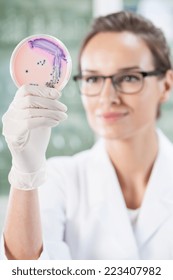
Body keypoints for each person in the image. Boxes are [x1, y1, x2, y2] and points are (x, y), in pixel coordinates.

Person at [1, 10, 173, 260]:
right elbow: (23, 272)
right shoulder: (58, 179)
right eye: (92, 79)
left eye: (128, 77)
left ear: (166, 85)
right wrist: (25, 175)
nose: (107, 98)